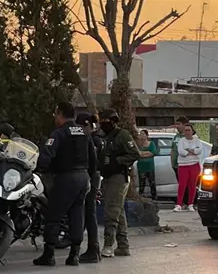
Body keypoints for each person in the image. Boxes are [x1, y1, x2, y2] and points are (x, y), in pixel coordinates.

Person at [33, 102, 97, 267]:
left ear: (60, 114)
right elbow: (93, 158)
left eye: (55, 114)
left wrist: (39, 169)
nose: (54, 118)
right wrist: (90, 177)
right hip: (83, 178)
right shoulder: (84, 132)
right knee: (77, 214)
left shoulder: (59, 133)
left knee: (53, 215)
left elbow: (46, 156)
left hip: (66, 178)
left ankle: (49, 254)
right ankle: (74, 255)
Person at [99, 109, 140, 258]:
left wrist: (117, 161)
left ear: (113, 121)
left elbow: (135, 154)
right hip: (108, 176)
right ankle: (123, 245)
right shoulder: (103, 136)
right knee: (118, 212)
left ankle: (108, 245)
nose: (102, 124)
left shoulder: (122, 135)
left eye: (105, 121)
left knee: (111, 212)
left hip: (118, 177)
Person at [76, 112, 103, 264]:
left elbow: (93, 163)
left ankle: (93, 249)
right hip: (92, 177)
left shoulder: (93, 140)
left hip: (91, 177)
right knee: (88, 213)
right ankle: (93, 248)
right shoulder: (94, 138)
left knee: (89, 213)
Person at [175, 124, 203, 212]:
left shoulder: (197, 140)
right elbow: (181, 151)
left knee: (192, 185)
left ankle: (191, 204)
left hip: (194, 164)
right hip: (183, 165)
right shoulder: (181, 141)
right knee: (182, 185)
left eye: (189, 130)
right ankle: (179, 204)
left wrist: (189, 150)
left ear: (192, 131)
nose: (187, 132)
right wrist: (191, 152)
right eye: (185, 130)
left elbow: (199, 150)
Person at [170, 116, 191, 207]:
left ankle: (188, 202)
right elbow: (172, 149)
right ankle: (183, 202)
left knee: (186, 184)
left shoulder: (188, 137)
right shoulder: (176, 137)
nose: (177, 126)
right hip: (176, 165)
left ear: (185, 125)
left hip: (184, 164)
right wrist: (172, 161)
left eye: (179, 124)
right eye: (176, 124)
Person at [137, 130, 158, 200]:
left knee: (152, 182)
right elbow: (137, 153)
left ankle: (154, 197)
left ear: (146, 135)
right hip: (141, 166)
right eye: (140, 134)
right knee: (141, 183)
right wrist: (147, 153)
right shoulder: (138, 145)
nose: (141, 135)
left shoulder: (151, 144)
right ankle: (140, 197)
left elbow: (153, 153)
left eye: (143, 134)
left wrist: (142, 154)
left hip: (150, 166)